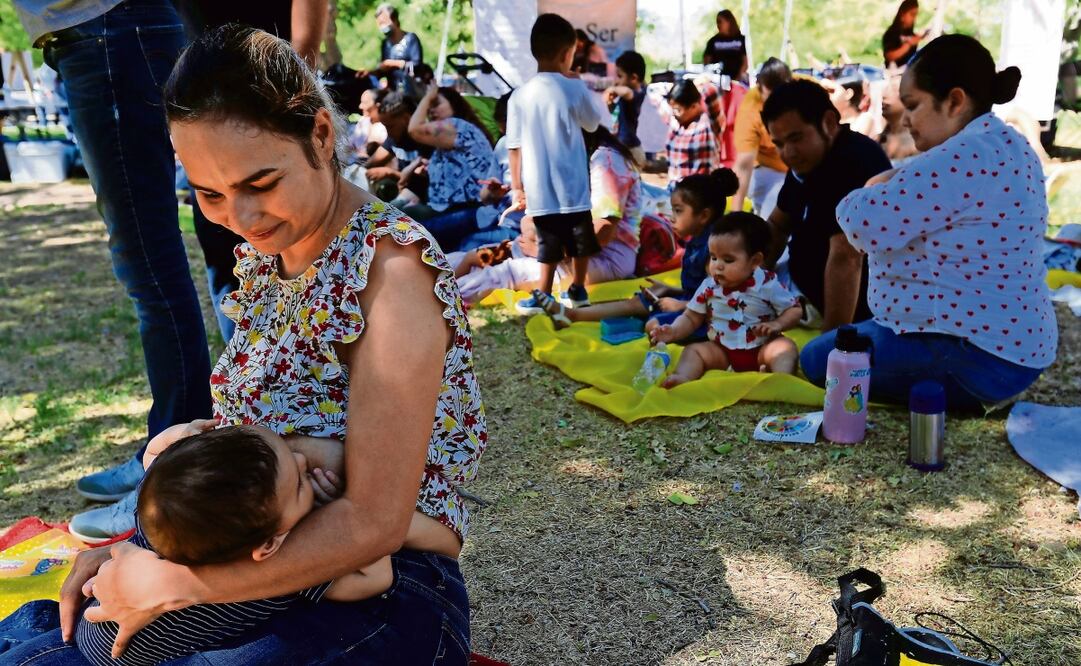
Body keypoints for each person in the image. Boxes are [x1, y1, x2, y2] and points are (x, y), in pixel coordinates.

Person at [2, 25, 486, 664]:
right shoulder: (269, 255)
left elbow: (373, 524)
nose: (242, 217)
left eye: (261, 184)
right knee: (46, 639)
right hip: (252, 559)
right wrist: (145, 554)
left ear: (320, 135)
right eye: (209, 193)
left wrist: (176, 583)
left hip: (373, 589)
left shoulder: (389, 272)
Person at [11, 0, 214, 543]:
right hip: (100, 34)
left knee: (148, 257)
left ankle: (176, 466)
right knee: (144, 258)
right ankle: (167, 444)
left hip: (111, 31)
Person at [802, 34, 1057, 409]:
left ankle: (969, 393)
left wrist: (874, 184)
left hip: (973, 355)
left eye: (913, 105)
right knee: (851, 338)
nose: (905, 119)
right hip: (1018, 352)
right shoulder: (1008, 144)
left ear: (954, 101)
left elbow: (861, 224)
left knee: (817, 358)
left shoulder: (962, 157)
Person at [75, 421, 456, 665]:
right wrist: (336, 509)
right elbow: (374, 578)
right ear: (269, 545)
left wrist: (180, 439)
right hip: (128, 657)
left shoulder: (167, 514)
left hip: (92, 626)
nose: (302, 461)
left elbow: (157, 458)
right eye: (300, 485)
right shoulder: (279, 568)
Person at [538, 169, 740, 343]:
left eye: (678, 211)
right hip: (692, 303)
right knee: (641, 301)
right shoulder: (698, 240)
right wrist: (669, 289)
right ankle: (572, 314)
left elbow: (724, 301)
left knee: (654, 324)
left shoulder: (714, 252)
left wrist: (680, 304)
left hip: (706, 317)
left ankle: (575, 315)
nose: (671, 217)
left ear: (704, 215)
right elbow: (700, 290)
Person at [453, 127, 643, 304]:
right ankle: (442, 289)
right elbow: (534, 221)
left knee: (505, 273)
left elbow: (603, 231)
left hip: (605, 257)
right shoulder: (572, 156)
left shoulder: (606, 161)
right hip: (561, 249)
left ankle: (445, 299)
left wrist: (548, 251)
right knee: (468, 259)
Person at [761, 79, 891, 331]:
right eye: (779, 144)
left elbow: (846, 258)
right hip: (803, 295)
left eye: (796, 138)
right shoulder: (806, 161)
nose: (788, 153)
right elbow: (777, 224)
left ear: (829, 123)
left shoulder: (855, 161)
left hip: (861, 314)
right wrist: (745, 281)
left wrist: (831, 341)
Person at [508, 13, 604, 314]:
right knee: (581, 241)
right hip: (574, 185)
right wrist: (580, 87)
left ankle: (543, 293)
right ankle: (578, 289)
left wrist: (516, 187)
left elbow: (514, 147)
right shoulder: (573, 88)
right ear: (566, 54)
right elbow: (592, 124)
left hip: (540, 190)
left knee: (547, 244)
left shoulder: (519, 96)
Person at [650, 212, 802, 386]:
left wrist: (778, 324)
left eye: (728, 260)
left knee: (785, 348)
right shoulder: (709, 286)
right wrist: (674, 331)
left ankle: (780, 380)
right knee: (694, 351)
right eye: (713, 257)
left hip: (762, 347)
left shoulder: (767, 284)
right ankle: (683, 377)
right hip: (723, 351)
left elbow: (794, 309)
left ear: (755, 261)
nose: (717, 266)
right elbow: (691, 317)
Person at [404, 83, 498, 247]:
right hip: (455, 210)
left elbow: (414, 130)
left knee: (401, 226)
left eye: (436, 104)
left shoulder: (456, 126)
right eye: (430, 106)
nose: (431, 111)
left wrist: (428, 96)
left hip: (467, 211)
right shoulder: (456, 130)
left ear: (454, 104)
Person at [730, 57, 792, 217]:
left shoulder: (806, 88)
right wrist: (735, 214)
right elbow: (744, 165)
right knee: (771, 212)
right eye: (771, 97)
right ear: (759, 87)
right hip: (769, 169)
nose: (777, 102)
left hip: (806, 167)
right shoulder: (750, 109)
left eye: (782, 96)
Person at [665, 80, 720, 191]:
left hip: (698, 194)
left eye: (678, 110)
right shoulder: (675, 123)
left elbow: (712, 92)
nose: (674, 114)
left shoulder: (708, 124)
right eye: (672, 109)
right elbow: (654, 90)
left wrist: (700, 82)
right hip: (674, 190)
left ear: (694, 106)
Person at [362, 3, 423, 90]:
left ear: (395, 20)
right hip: (393, 90)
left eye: (384, 22)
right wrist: (371, 72)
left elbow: (417, 65)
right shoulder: (385, 44)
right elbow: (384, 71)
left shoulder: (411, 39)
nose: (382, 27)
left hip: (412, 89)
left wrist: (393, 63)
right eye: (379, 24)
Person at [605, 50, 648, 166]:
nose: (616, 81)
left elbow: (627, 92)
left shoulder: (638, 94)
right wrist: (610, 104)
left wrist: (612, 89)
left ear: (633, 78)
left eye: (620, 76)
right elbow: (616, 114)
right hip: (624, 146)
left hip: (631, 149)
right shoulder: (625, 97)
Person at [701, 9, 748, 81]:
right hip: (716, 81)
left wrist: (736, 80)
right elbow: (707, 63)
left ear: (729, 22)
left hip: (737, 80)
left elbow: (746, 62)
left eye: (720, 22)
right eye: (717, 22)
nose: (718, 25)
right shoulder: (713, 41)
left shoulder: (742, 40)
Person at [883, 0, 925, 68]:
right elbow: (889, 56)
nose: (914, 19)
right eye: (912, 14)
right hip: (893, 72)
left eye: (916, 15)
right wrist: (909, 44)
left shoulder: (911, 34)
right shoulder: (891, 33)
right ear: (902, 14)